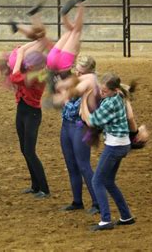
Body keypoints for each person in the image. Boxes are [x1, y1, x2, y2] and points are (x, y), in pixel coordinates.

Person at [80, 72, 135, 231]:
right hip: (121, 144)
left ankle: (105, 220)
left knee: (97, 181)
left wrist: (84, 100)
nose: (102, 93)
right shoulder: (118, 97)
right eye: (101, 90)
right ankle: (126, 216)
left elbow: (92, 121)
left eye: (104, 91)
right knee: (108, 181)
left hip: (115, 146)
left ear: (114, 90)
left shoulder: (109, 103)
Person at [58, 56, 99, 214]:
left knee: (83, 164)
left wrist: (62, 88)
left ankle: (97, 202)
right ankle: (77, 201)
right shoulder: (82, 79)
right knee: (71, 164)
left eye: (80, 72)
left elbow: (70, 96)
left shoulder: (90, 80)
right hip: (67, 124)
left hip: (80, 126)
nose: (77, 73)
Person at [10, 46, 50, 198]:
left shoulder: (37, 75)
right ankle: (35, 185)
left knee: (30, 152)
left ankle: (44, 188)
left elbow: (14, 77)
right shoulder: (34, 72)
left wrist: (19, 54)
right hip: (23, 110)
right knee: (24, 149)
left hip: (31, 113)